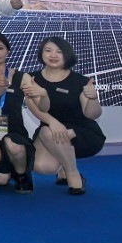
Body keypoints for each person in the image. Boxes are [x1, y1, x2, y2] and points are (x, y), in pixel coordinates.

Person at [0, 31, 47, 193]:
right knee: (1, 179)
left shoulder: (21, 77)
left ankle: (21, 175)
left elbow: (43, 107)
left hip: (14, 133)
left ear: (8, 51)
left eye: (0, 48)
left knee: (14, 145)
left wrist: (43, 94)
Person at [27, 36, 105, 195]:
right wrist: (53, 122)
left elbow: (92, 115)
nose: (53, 55)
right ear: (41, 53)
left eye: (59, 51)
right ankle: (63, 164)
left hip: (81, 131)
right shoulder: (32, 78)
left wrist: (93, 98)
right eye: (48, 50)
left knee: (47, 131)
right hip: (50, 130)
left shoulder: (80, 81)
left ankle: (73, 173)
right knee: (42, 166)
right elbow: (35, 108)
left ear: (67, 54)